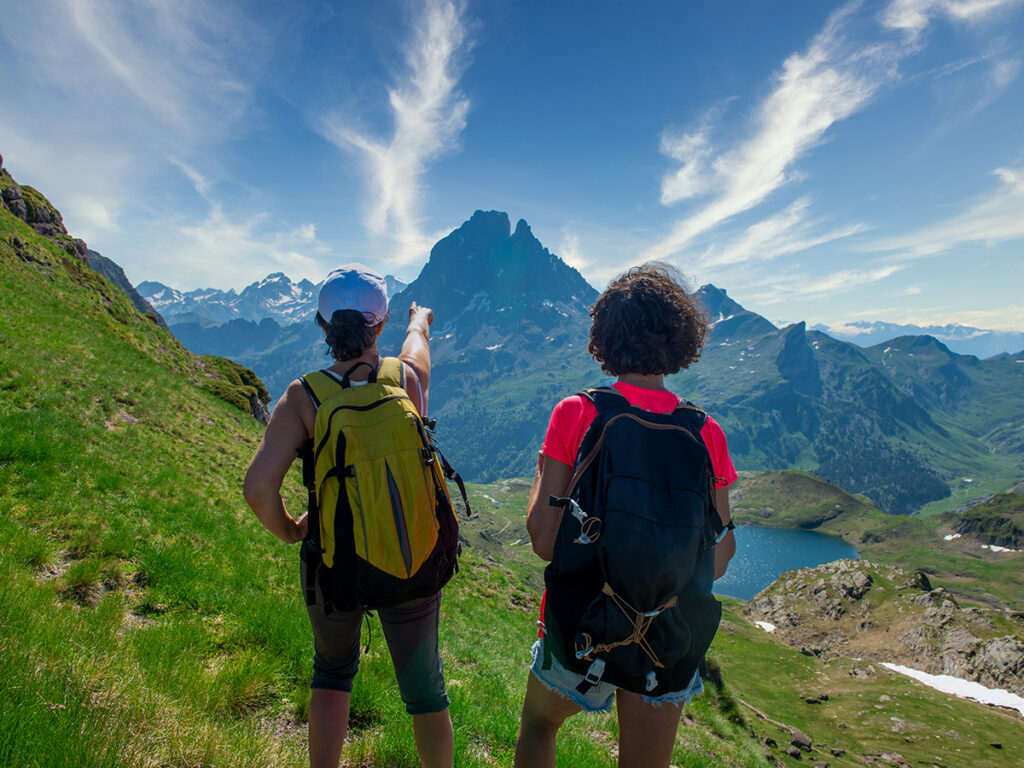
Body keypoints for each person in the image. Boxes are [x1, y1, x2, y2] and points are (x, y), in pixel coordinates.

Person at [513, 263, 738, 768]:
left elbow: (544, 540)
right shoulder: (706, 432)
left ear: (604, 335)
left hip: (582, 625)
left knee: (539, 725)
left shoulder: (577, 412)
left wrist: (542, 472)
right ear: (681, 338)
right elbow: (720, 558)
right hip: (668, 635)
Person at [243, 264, 453, 768]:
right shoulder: (406, 378)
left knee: (333, 672)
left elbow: (257, 489)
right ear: (377, 327)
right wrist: (417, 320)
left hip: (334, 559)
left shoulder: (302, 396)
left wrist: (293, 530)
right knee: (425, 689)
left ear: (322, 325)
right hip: (412, 550)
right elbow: (417, 344)